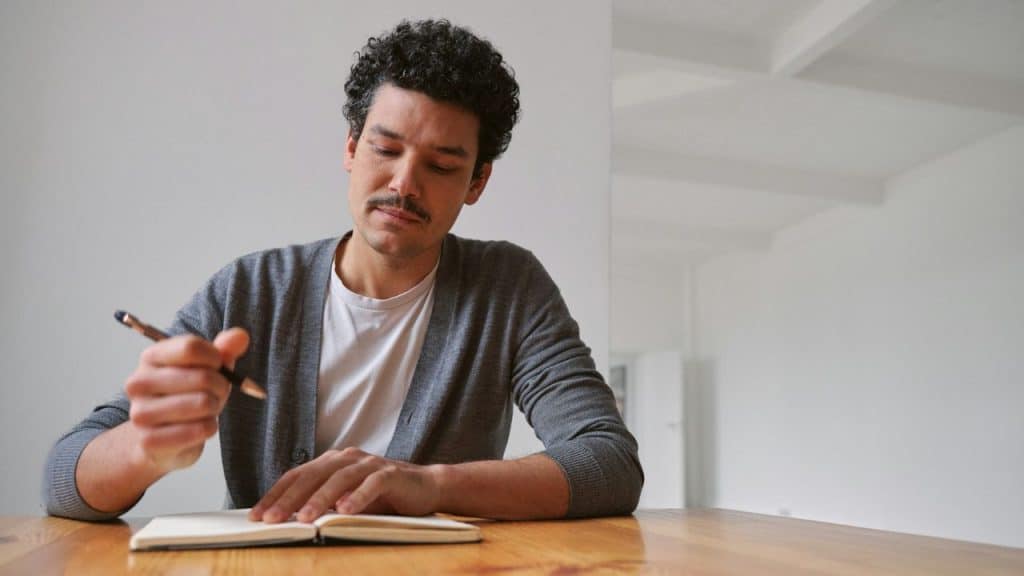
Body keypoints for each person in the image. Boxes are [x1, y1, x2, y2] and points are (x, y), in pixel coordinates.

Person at [43, 19, 642, 523]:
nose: (404, 184)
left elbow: (609, 464)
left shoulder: (507, 289)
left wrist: (428, 485)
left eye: (440, 164)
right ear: (351, 149)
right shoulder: (250, 290)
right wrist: (146, 448)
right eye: (385, 150)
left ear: (476, 182)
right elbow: (63, 484)